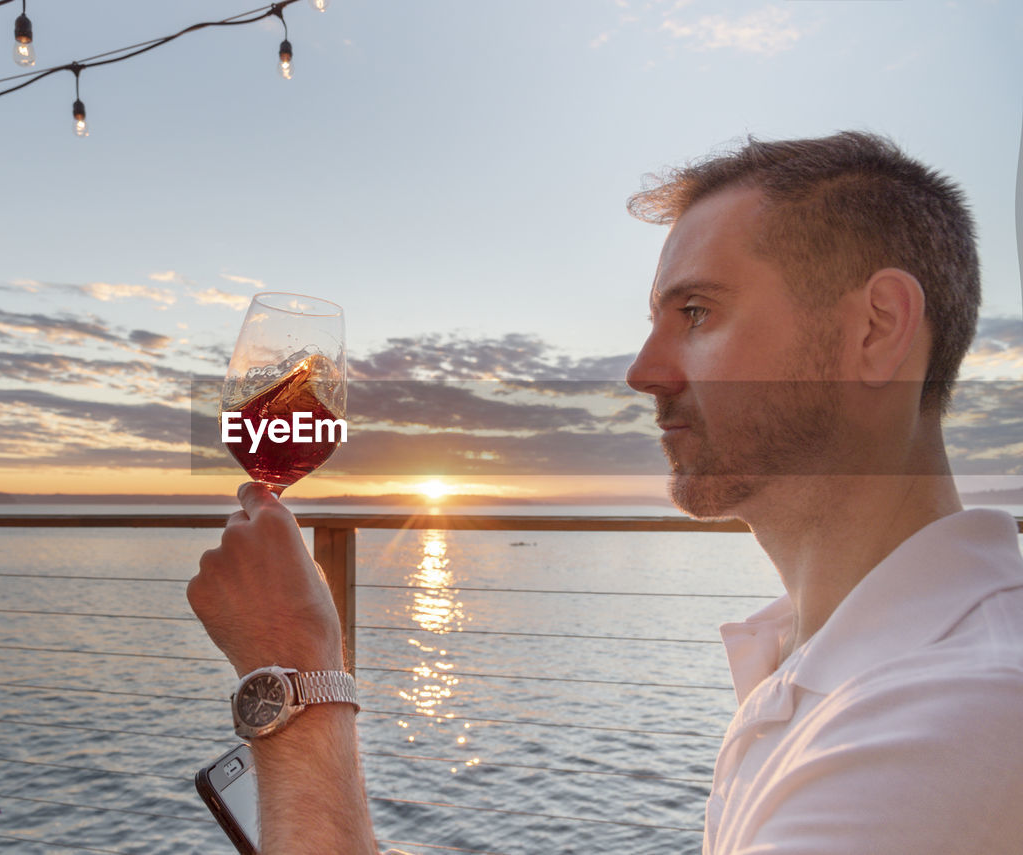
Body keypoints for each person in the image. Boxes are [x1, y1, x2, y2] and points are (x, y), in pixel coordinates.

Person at [187, 131, 1023, 853]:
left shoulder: (952, 720)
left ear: (876, 329)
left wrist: (291, 665)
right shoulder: (816, 659)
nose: (642, 371)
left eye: (695, 313)